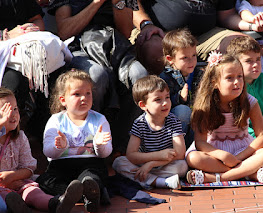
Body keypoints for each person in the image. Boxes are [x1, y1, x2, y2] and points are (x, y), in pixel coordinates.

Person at [185, 53, 263, 184]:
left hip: (244, 150)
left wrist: (238, 157)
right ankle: (248, 173)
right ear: (215, 83)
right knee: (193, 158)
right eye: (229, 78)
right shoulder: (205, 105)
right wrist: (222, 155)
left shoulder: (250, 102)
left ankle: (218, 177)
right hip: (216, 151)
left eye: (239, 77)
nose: (237, 82)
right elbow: (200, 142)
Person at [47, 0, 148, 113]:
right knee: (96, 75)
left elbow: (125, 31)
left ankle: (130, 128)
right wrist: (97, 2)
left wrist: (117, 3)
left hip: (114, 46)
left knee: (139, 74)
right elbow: (65, 32)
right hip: (78, 47)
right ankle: (90, 127)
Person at [36, 70, 113, 212]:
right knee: (45, 181)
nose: (84, 98)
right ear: (63, 100)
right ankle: (75, 194)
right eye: (77, 94)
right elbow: (48, 152)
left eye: (88, 93)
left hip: (90, 163)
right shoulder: (56, 120)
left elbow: (105, 154)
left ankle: (91, 192)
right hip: (61, 165)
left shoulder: (99, 119)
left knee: (92, 177)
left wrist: (100, 145)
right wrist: (58, 146)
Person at [131, 0, 263, 75]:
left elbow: (227, 15)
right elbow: (130, 3)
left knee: (245, 47)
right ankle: (164, 108)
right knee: (153, 48)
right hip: (159, 31)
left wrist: (251, 26)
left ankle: (227, 112)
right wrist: (146, 24)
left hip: (207, 34)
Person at [0, 87, 82, 213]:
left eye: (15, 109)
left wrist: (13, 176)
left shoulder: (20, 137)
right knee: (9, 198)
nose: (13, 114)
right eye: (6, 111)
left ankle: (57, 204)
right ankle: (20, 208)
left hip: (19, 182)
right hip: (2, 190)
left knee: (33, 193)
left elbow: (29, 167)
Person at [112, 75, 188, 190]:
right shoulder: (140, 124)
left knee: (182, 166)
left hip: (165, 164)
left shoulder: (173, 121)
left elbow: (180, 153)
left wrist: (152, 164)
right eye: (158, 100)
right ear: (143, 105)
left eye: (167, 97)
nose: (165, 103)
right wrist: (157, 155)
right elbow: (131, 155)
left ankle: (147, 180)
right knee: (118, 163)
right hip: (143, 164)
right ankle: (161, 182)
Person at [159, 28, 202, 148]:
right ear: (170, 59)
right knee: (183, 111)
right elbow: (160, 105)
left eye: (194, 55)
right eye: (185, 58)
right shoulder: (166, 78)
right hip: (172, 127)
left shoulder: (198, 74)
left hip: (194, 122)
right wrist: (179, 98)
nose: (192, 61)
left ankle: (196, 148)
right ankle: (175, 149)